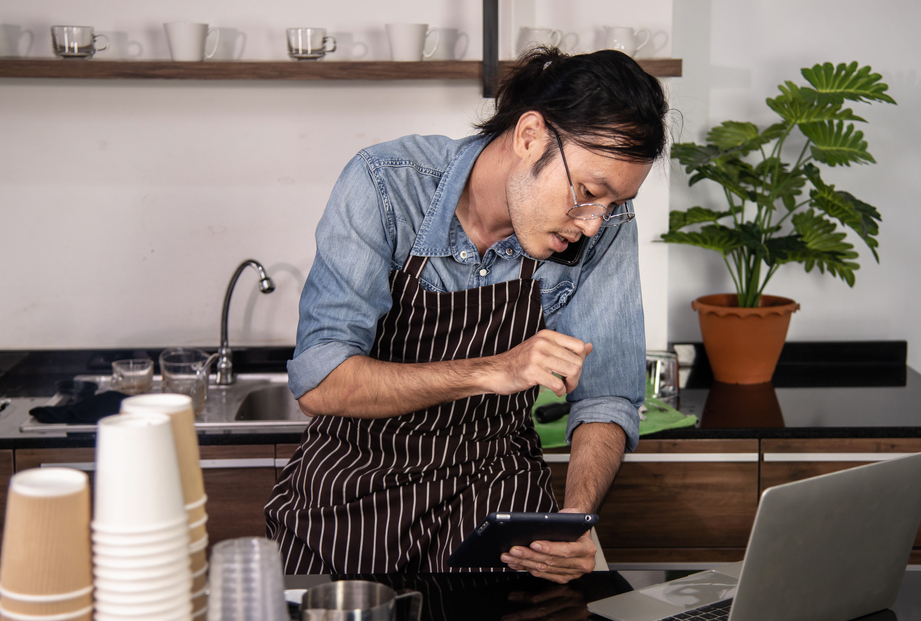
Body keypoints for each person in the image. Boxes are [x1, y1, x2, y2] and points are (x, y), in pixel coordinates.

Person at [266, 46, 669, 583]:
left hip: (493, 510)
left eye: (613, 205)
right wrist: (492, 369)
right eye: (589, 193)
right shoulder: (386, 185)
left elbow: (606, 394)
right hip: (345, 507)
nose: (595, 224)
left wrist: (576, 517)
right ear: (530, 136)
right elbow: (321, 381)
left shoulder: (604, 226)